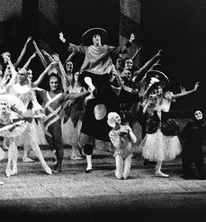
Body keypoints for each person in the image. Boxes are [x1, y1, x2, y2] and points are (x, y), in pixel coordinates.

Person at [58, 28, 137, 172]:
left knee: (112, 106)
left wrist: (130, 42)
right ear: (92, 39)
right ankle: (89, 164)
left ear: (101, 39)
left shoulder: (106, 48)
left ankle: (118, 155)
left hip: (103, 81)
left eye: (98, 36)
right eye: (94, 37)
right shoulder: (88, 49)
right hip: (90, 78)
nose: (96, 38)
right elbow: (74, 48)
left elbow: (120, 50)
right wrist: (63, 40)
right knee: (86, 78)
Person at [141, 72, 199, 177]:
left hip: (165, 126)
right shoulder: (152, 100)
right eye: (156, 89)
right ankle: (157, 169)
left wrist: (193, 90)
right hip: (155, 127)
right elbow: (144, 112)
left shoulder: (167, 97)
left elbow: (179, 95)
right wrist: (148, 104)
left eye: (159, 88)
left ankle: (158, 169)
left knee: (162, 148)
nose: (158, 91)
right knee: (158, 148)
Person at [107, 112, 137, 180]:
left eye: (119, 116)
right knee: (119, 176)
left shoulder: (126, 127)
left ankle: (120, 171)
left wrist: (130, 133)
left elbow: (134, 140)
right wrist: (119, 137)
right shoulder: (111, 133)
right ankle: (116, 171)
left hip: (128, 152)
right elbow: (116, 145)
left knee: (125, 176)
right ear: (112, 120)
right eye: (116, 117)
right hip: (119, 153)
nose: (119, 118)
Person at [180, 109, 206, 180]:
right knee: (186, 174)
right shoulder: (190, 124)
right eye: (196, 114)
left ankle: (198, 173)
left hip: (197, 147)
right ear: (194, 116)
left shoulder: (204, 126)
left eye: (200, 113)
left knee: (202, 174)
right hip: (188, 147)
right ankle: (188, 173)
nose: (198, 115)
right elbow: (182, 135)